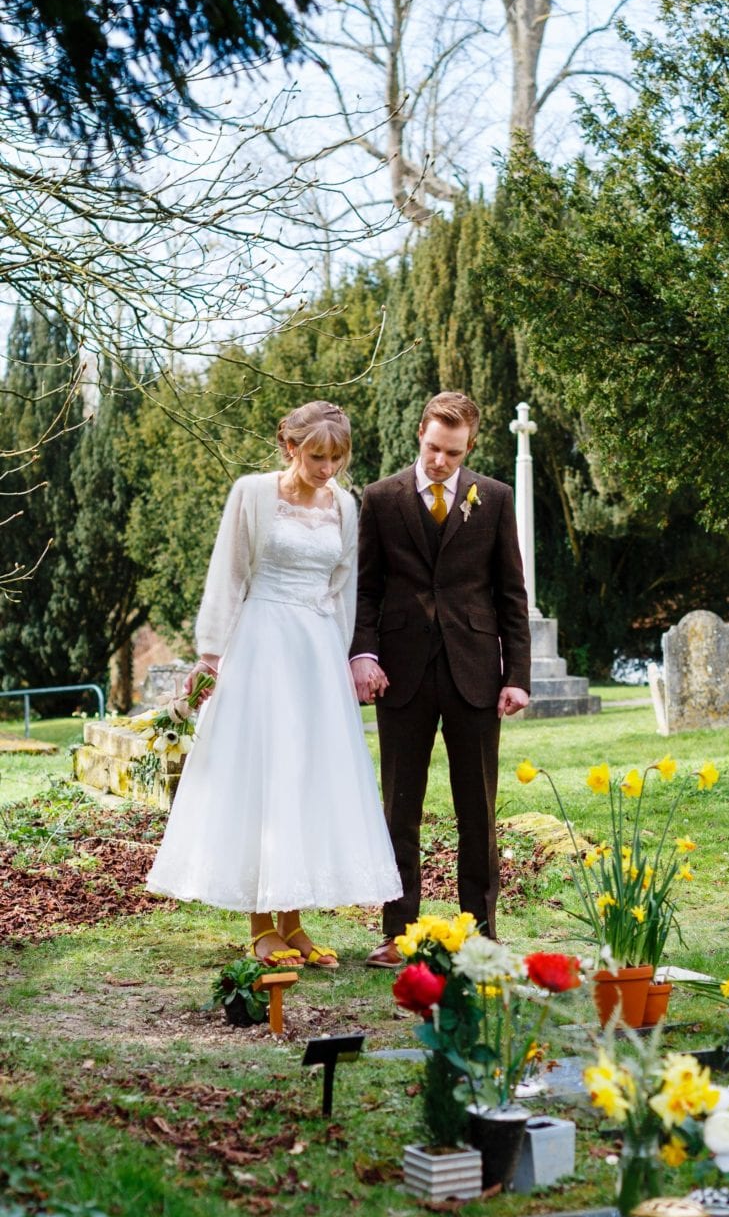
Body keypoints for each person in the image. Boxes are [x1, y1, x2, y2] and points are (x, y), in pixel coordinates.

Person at [146, 401, 402, 968]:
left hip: (316, 653)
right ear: (290, 446)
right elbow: (228, 574)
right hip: (260, 645)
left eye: (337, 459)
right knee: (265, 775)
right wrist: (211, 656)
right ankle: (261, 926)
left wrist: (341, 659)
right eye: (317, 457)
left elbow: (342, 586)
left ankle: (295, 923)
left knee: (307, 778)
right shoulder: (253, 494)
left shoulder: (345, 506)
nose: (327, 469)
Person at [350, 391, 531, 967]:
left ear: (469, 446)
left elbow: (511, 593)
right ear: (420, 435)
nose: (439, 461)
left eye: (453, 453)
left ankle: (481, 932)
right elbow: (365, 589)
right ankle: (398, 932)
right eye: (433, 448)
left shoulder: (494, 498)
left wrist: (517, 675)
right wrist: (363, 654)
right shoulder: (380, 498)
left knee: (477, 807)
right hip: (399, 673)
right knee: (398, 807)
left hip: (474, 671)